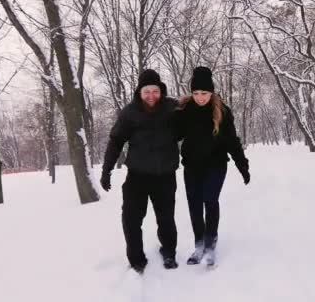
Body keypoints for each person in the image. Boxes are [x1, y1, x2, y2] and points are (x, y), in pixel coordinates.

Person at [100, 69, 180, 274]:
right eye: (147, 92)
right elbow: (116, 140)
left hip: (165, 176)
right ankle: (136, 259)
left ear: (160, 90)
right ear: (140, 92)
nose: (151, 96)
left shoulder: (172, 109)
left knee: (166, 218)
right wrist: (106, 169)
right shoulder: (130, 113)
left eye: (155, 91)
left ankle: (169, 252)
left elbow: (191, 124)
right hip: (137, 176)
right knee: (131, 218)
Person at [176, 66, 250, 266]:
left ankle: (210, 243)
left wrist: (243, 166)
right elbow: (172, 135)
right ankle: (199, 244)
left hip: (216, 165)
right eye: (196, 93)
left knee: (209, 200)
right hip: (191, 166)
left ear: (212, 92)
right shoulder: (184, 111)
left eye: (204, 93)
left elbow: (232, 142)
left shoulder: (222, 112)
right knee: (194, 205)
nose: (200, 97)